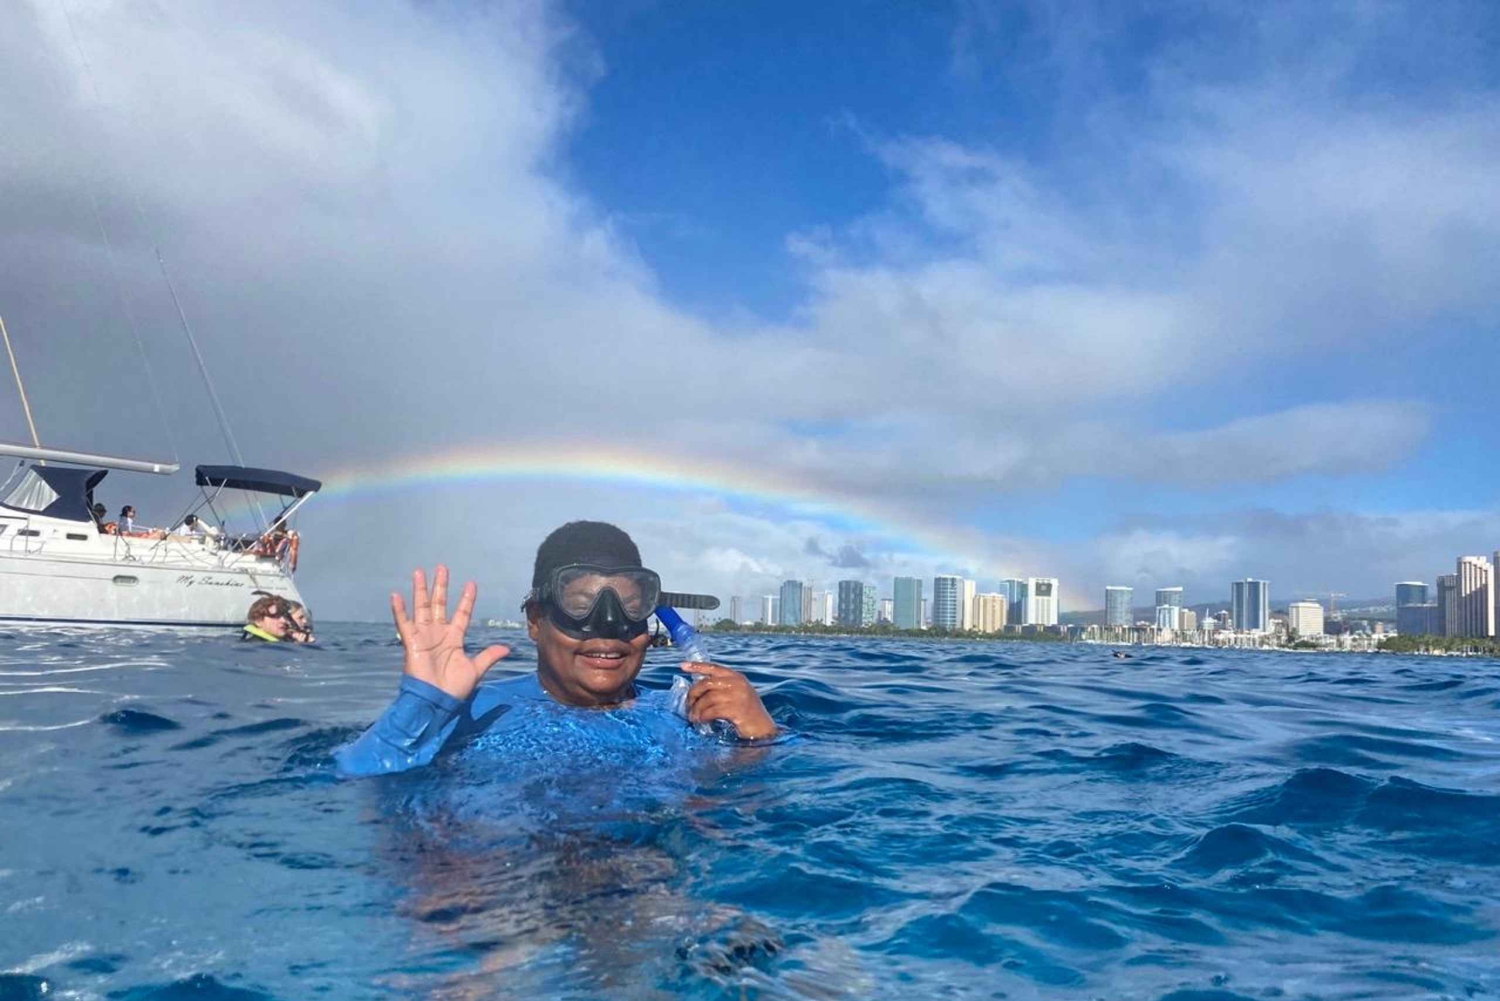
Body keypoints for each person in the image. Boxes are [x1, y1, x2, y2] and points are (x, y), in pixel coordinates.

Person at [336, 521, 776, 777]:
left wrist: (761, 736)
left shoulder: (685, 713)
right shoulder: (473, 713)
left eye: (630, 604)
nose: (608, 627)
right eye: (580, 604)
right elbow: (349, 780)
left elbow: (749, 808)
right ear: (534, 621)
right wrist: (417, 708)